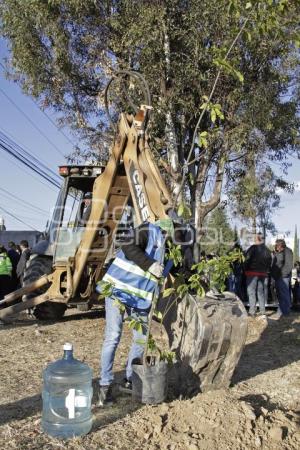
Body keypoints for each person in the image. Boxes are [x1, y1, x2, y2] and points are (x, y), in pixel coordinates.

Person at [96, 218, 175, 407]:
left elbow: (176, 270)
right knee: (113, 336)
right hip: (117, 291)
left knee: (140, 339)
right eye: (167, 234)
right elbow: (127, 246)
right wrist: (149, 264)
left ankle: (130, 379)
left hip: (139, 299)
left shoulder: (169, 249)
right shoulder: (148, 230)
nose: (168, 238)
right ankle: (105, 386)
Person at [244, 233, 272, 319]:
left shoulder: (253, 248)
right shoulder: (267, 250)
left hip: (252, 272)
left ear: (257, 239)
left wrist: (245, 269)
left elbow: (247, 259)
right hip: (263, 273)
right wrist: (266, 270)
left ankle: (252, 311)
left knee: (251, 292)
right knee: (261, 292)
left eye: (254, 238)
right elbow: (269, 262)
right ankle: (262, 311)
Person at [271, 239, 293, 318]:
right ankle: (281, 311)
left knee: (284, 295)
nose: (275, 246)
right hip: (277, 277)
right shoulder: (277, 252)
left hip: (283, 277)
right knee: (279, 295)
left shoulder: (288, 252)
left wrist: (282, 275)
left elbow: (289, 265)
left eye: (276, 245)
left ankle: (286, 312)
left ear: (280, 245)